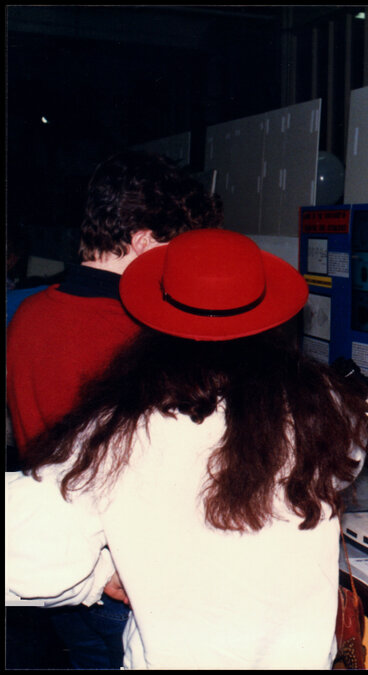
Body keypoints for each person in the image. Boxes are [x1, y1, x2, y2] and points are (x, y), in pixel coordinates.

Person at [7, 228, 368, 668]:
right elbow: (342, 471)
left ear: (158, 319)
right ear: (269, 316)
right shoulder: (328, 410)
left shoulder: (116, 430)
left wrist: (101, 575)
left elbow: (28, 564)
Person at [5, 150, 223, 669]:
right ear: (144, 241)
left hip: (63, 572)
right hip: (127, 576)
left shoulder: (28, 313)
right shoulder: (140, 335)